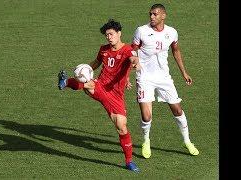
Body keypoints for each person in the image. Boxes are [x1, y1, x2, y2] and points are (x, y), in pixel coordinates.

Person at [58, 19, 141, 173]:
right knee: (89, 85)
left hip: (116, 95)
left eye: (111, 34)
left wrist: (135, 63)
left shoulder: (128, 50)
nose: (108, 37)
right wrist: (84, 70)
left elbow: (133, 58)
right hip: (101, 86)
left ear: (119, 34)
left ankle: (129, 161)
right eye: (106, 35)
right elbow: (96, 63)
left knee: (122, 128)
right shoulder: (103, 49)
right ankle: (67, 82)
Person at [130, 4, 199, 159]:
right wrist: (128, 73)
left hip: (164, 78)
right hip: (144, 77)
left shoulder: (172, 32)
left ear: (163, 16)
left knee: (177, 110)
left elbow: (176, 51)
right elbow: (132, 51)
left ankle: (187, 141)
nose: (152, 17)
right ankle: (146, 140)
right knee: (147, 116)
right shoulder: (141, 31)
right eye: (150, 14)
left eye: (155, 14)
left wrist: (184, 73)